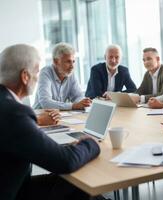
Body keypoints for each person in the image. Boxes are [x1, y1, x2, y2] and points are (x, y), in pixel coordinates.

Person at [0, 44, 105, 200]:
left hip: (14, 184)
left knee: (77, 186)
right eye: (36, 71)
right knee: (79, 183)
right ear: (25, 76)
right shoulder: (15, 113)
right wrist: (91, 143)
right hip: (15, 193)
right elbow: (66, 162)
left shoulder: (6, 104)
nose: (37, 77)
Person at [33, 42, 91, 110]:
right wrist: (74, 106)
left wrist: (83, 103)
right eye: (68, 62)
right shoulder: (45, 73)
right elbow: (45, 103)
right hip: (39, 116)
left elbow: (78, 96)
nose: (72, 66)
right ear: (56, 61)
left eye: (73, 61)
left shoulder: (70, 74)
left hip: (60, 115)